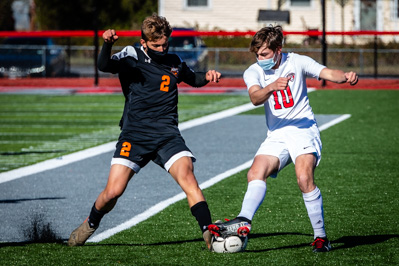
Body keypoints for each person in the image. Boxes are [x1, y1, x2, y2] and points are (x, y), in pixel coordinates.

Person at [67, 14, 221, 250]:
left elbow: (194, 79)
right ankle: (89, 224)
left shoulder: (175, 61)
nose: (161, 48)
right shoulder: (132, 55)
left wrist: (208, 76)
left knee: (189, 178)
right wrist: (107, 43)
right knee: (113, 192)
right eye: (156, 45)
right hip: (134, 135)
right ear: (143, 42)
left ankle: (210, 234)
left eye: (165, 44)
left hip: (167, 135)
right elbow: (104, 66)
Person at [208, 25, 358, 252]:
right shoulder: (253, 71)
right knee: (255, 172)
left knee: (303, 178)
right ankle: (244, 220)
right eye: (257, 54)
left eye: (265, 54)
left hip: (303, 130)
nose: (260, 58)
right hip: (277, 134)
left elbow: (327, 73)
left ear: (278, 49)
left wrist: (345, 76)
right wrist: (271, 86)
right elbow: (255, 98)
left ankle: (321, 237)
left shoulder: (297, 61)